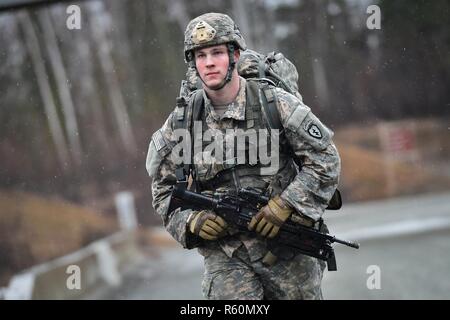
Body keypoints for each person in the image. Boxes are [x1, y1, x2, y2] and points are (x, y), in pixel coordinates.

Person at [146, 12, 341, 300]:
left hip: (287, 249)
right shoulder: (182, 121)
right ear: (193, 63)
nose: (209, 62)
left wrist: (285, 205)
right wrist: (191, 223)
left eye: (216, 53)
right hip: (227, 256)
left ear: (235, 55)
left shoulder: (273, 103)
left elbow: (325, 160)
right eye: (200, 56)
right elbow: (163, 193)